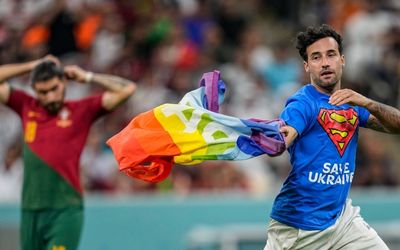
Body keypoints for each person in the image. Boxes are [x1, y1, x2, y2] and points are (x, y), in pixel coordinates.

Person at [265, 24, 400, 250]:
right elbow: (289, 130)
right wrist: (282, 138)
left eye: (331, 54)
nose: (325, 62)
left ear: (342, 59)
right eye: (316, 57)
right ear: (307, 66)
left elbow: (397, 125)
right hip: (298, 227)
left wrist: (367, 103)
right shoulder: (302, 103)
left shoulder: (352, 102)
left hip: (342, 220)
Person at [0, 55, 136, 250]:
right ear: (35, 91)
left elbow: (127, 89)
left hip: (65, 210)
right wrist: (32, 65)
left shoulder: (81, 111)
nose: (50, 96)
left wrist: (88, 77)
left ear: (64, 82)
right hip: (31, 211)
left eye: (54, 89)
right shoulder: (26, 106)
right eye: (43, 92)